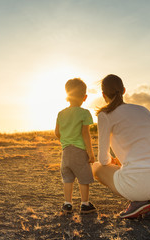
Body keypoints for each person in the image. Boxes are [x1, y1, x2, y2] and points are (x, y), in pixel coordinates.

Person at [92, 74, 150, 219]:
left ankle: (139, 202)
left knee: (96, 167)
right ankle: (144, 205)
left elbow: (103, 160)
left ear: (103, 95)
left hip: (139, 182)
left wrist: (112, 160)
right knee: (127, 167)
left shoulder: (105, 114)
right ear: (124, 90)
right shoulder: (144, 110)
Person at [55, 78, 97, 214]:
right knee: (83, 178)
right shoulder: (84, 113)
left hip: (65, 151)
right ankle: (85, 204)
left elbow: (57, 132)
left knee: (68, 178)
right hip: (79, 151)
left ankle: (67, 204)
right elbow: (85, 134)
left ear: (67, 95)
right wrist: (90, 154)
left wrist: (66, 139)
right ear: (85, 97)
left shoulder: (61, 114)